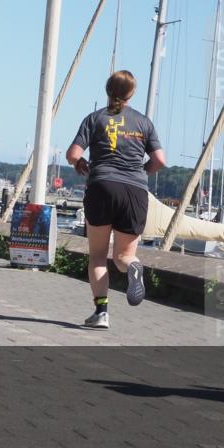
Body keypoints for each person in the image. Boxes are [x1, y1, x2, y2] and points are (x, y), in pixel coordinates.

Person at [66, 70, 165, 330]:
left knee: (98, 256)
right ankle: (133, 267)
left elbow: (73, 153)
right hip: (134, 191)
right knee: (123, 256)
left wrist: (80, 163)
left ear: (108, 90)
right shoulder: (144, 123)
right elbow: (160, 160)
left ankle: (101, 312)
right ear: (131, 93)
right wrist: (142, 172)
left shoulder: (94, 118)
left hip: (101, 186)